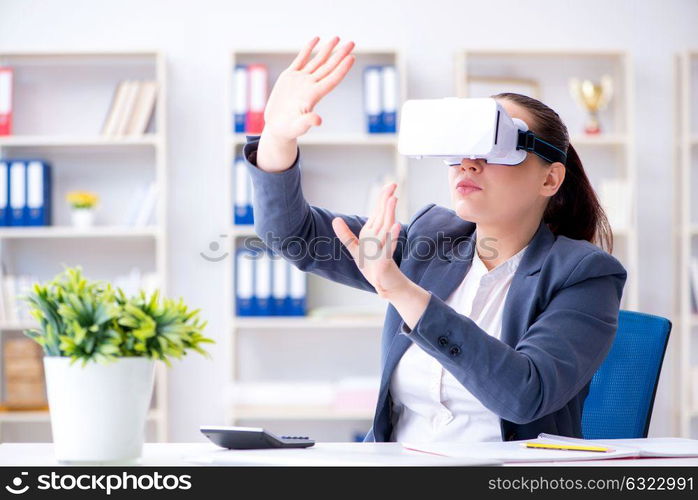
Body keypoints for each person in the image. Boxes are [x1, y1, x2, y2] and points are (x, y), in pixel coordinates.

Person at [242, 36, 627, 442]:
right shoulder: (433, 241)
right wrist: (277, 138)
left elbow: (524, 395)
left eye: (496, 147)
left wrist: (404, 293)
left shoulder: (585, 275)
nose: (469, 163)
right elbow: (291, 233)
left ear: (549, 178)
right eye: (463, 147)